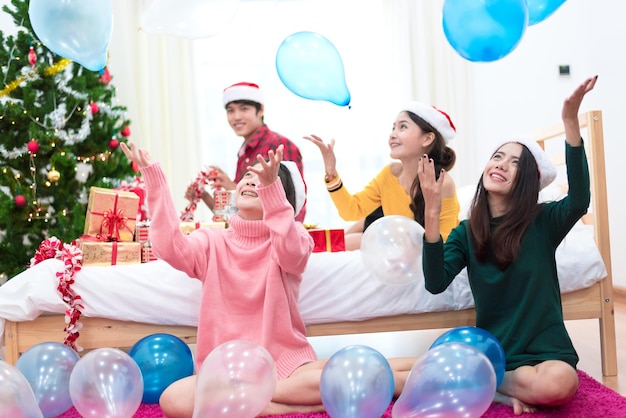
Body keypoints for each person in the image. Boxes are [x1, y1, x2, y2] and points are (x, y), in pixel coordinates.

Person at [122, 142, 416, 416]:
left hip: (285, 365)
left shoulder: (293, 239)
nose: (250, 181)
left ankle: (397, 375)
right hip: (227, 369)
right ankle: (289, 406)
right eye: (248, 176)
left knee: (324, 374)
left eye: (262, 180)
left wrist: (272, 190)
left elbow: (290, 249)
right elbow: (168, 247)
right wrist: (155, 181)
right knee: (172, 400)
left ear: (279, 197)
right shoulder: (211, 241)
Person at [418, 75, 598, 415]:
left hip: (546, 350)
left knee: (561, 384)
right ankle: (491, 378)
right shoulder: (466, 232)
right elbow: (435, 282)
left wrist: (570, 122)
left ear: (527, 182)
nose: (501, 163)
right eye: (498, 156)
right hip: (494, 349)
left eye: (516, 163)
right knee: (418, 370)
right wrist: (431, 213)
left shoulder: (543, 222)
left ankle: (489, 382)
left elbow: (579, 199)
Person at [305, 101, 460, 250]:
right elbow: (351, 210)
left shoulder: (442, 184)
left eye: (403, 127)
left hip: (411, 249)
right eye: (393, 128)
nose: (392, 134)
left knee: (355, 238)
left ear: (427, 138)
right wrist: (331, 173)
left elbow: (444, 243)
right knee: (341, 240)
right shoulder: (390, 174)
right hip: (386, 233)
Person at [185, 82, 307, 222]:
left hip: (273, 241)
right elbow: (237, 215)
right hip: (249, 240)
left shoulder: (279, 145)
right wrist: (203, 194)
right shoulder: (244, 152)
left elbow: (292, 206)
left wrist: (233, 187)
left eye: (244, 109)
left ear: (260, 110)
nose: (236, 117)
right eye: (230, 111)